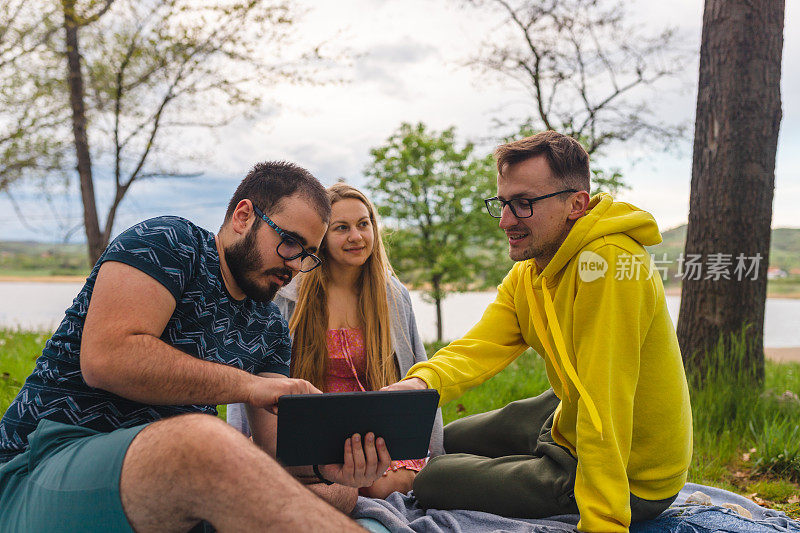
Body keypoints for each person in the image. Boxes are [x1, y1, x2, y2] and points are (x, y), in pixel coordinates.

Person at [0, 162, 392, 532]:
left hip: (160, 486)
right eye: (289, 243)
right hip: (48, 461)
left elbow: (278, 452)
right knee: (203, 441)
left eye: (307, 255)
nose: (293, 266)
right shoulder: (171, 242)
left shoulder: (270, 324)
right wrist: (249, 386)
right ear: (243, 217)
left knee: (338, 494)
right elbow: (107, 358)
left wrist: (329, 470)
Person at [385, 131, 693, 532]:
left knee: (432, 479)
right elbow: (478, 347)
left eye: (524, 204)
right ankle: (528, 460)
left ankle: (538, 472)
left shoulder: (608, 266)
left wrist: (604, 522)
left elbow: (606, 403)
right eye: (503, 203)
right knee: (450, 438)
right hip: (570, 418)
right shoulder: (530, 272)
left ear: (576, 204)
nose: (506, 221)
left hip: (633, 472)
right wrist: (419, 385)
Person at [228, 182, 444, 499]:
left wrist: (436, 451)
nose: (356, 237)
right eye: (341, 228)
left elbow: (418, 370)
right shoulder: (288, 295)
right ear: (322, 237)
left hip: (373, 437)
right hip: (311, 433)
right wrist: (239, 439)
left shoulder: (392, 295)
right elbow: (252, 374)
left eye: (363, 224)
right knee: (337, 486)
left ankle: (335, 494)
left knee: (378, 484)